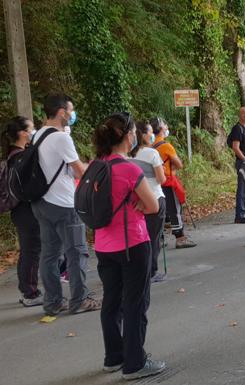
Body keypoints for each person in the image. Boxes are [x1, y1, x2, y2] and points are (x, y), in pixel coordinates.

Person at [93, 112, 166, 380]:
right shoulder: (128, 169)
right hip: (132, 243)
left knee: (111, 301)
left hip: (103, 244)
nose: (136, 135)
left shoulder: (95, 166)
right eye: (134, 131)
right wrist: (138, 204)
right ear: (127, 136)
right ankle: (135, 362)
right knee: (135, 303)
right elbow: (153, 205)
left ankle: (113, 357)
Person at [30, 94, 101, 316]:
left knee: (50, 255)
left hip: (41, 203)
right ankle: (79, 299)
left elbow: (59, 168)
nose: (72, 114)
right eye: (71, 110)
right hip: (64, 204)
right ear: (62, 112)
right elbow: (80, 171)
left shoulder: (37, 135)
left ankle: (53, 302)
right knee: (76, 252)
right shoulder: (61, 138)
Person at [2, 117, 42, 306]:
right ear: (23, 133)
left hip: (19, 210)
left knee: (29, 249)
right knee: (31, 250)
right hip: (25, 209)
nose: (34, 132)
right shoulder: (21, 157)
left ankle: (27, 289)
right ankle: (30, 293)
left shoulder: (13, 155)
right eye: (32, 129)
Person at [150, 117, 196, 248]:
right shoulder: (166, 146)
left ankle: (159, 238)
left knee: (159, 211)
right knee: (174, 210)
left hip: (153, 184)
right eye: (165, 125)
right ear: (160, 129)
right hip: (168, 182)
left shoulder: (149, 147)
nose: (167, 126)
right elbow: (179, 164)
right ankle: (180, 237)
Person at [131, 121, 167, 282]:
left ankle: (137, 269)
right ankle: (151, 271)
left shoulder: (126, 154)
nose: (153, 135)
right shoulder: (151, 153)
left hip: (135, 201)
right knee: (153, 237)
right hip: (154, 197)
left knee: (137, 237)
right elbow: (161, 179)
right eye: (151, 132)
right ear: (144, 135)